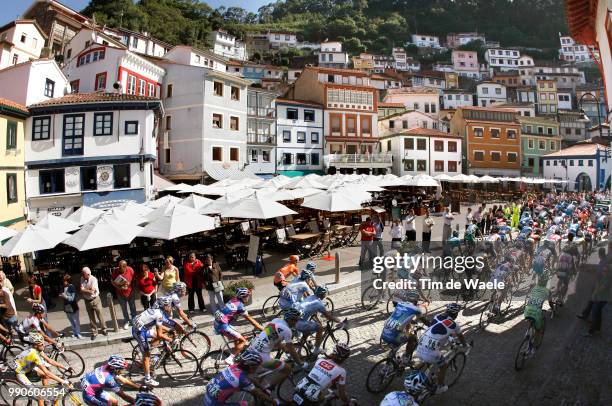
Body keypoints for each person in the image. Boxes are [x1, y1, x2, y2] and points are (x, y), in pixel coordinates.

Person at [414, 303, 467, 394]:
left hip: (420, 346)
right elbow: (461, 337)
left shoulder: (437, 316)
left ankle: (414, 372)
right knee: (444, 366)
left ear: (446, 311)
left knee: (426, 360)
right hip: (431, 353)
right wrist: (465, 344)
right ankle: (440, 386)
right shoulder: (454, 325)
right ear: (456, 314)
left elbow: (433, 327)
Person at [131, 296, 184, 386]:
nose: (171, 307)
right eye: (169, 305)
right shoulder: (159, 314)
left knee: (157, 336)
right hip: (139, 331)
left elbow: (159, 325)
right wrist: (170, 339)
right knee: (147, 355)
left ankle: (150, 349)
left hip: (142, 327)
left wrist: (169, 330)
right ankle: (147, 379)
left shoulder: (157, 310)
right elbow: (160, 334)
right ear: (164, 306)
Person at [247, 308, 305, 389]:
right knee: (287, 369)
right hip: (262, 357)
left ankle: (259, 386)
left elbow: (272, 337)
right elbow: (292, 350)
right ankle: (269, 389)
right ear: (291, 320)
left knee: (262, 372)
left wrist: (284, 348)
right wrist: (300, 363)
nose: (297, 322)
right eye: (296, 320)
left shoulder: (276, 320)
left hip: (251, 349)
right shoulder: (287, 330)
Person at [13, 332, 72, 403]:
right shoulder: (34, 354)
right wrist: (63, 381)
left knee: (45, 376)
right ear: (35, 345)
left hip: (28, 368)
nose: (43, 345)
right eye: (41, 344)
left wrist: (65, 367)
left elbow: (50, 361)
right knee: (40, 397)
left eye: (43, 343)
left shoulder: (38, 349)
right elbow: (47, 372)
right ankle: (42, 398)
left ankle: (46, 397)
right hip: (21, 373)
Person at [203, 350, 276, 406]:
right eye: (257, 366)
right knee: (249, 404)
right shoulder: (242, 379)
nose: (257, 368)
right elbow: (259, 394)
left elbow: (250, 378)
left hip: (208, 398)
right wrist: (274, 402)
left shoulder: (234, 366)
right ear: (251, 367)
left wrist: (262, 387)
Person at [213, 288, 263, 364]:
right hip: (223, 326)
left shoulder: (233, 300)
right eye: (247, 296)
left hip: (218, 323)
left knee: (238, 337)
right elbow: (250, 320)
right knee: (243, 340)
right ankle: (230, 359)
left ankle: (236, 356)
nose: (248, 297)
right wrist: (262, 328)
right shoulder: (240, 306)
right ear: (244, 296)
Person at [294, 285, 344, 356]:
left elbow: (312, 308)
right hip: (299, 322)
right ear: (322, 294)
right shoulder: (318, 304)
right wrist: (339, 321)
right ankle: (316, 350)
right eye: (325, 293)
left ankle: (299, 349)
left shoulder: (311, 297)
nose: (326, 295)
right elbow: (329, 317)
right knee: (319, 328)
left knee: (307, 332)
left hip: (293, 319)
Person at [380, 291, 428, 363]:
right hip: (394, 337)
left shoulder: (400, 304)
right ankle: (406, 358)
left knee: (397, 341)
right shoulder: (416, 309)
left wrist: (410, 321)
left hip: (384, 334)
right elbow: (425, 321)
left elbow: (402, 317)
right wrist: (433, 325)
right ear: (416, 300)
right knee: (413, 338)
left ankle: (387, 365)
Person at [81, 355, 146, 406]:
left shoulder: (106, 366)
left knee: (115, 402)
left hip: (94, 390)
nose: (123, 371)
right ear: (116, 369)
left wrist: (139, 387)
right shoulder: (109, 380)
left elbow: (124, 380)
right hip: (90, 397)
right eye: (122, 369)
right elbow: (124, 396)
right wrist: (137, 403)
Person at [578, 247, 611, 337]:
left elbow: (603, 286)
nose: (604, 271)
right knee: (596, 309)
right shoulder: (604, 263)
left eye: (605, 271)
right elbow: (598, 270)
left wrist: (596, 292)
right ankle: (596, 328)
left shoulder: (606, 275)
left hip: (601, 296)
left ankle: (591, 331)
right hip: (600, 292)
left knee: (595, 312)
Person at [523, 275, 552, 351]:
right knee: (538, 331)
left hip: (527, 311)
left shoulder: (534, 288)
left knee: (530, 321)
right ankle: (533, 349)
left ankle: (527, 334)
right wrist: (552, 310)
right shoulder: (547, 291)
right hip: (537, 313)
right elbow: (550, 302)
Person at [80, 267, 107, 340]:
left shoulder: (94, 279)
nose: (82, 275)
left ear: (88, 274)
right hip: (87, 300)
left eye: (83, 274)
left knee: (100, 315)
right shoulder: (82, 278)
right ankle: (94, 332)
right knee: (91, 317)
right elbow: (81, 289)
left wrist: (85, 290)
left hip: (95, 299)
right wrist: (87, 290)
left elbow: (92, 290)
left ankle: (104, 329)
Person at [111, 260, 136, 330]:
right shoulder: (116, 270)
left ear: (125, 267)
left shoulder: (130, 270)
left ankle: (134, 320)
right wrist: (118, 287)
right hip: (120, 293)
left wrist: (129, 284)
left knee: (132, 307)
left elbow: (134, 280)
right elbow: (112, 281)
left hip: (130, 292)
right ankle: (126, 321)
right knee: (124, 308)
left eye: (120, 267)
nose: (119, 268)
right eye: (118, 266)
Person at [59, 274, 82, 339]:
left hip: (73, 306)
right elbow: (62, 295)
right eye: (63, 281)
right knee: (71, 321)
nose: (63, 282)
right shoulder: (63, 287)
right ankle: (74, 333)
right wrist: (61, 295)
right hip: (67, 306)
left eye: (65, 281)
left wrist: (65, 296)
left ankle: (78, 333)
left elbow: (72, 298)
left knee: (75, 321)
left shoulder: (72, 287)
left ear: (68, 281)